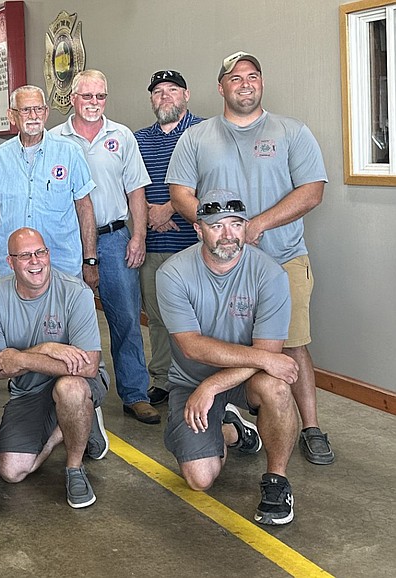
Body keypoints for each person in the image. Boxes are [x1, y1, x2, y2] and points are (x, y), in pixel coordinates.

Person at [167, 51, 332, 465]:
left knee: (292, 345)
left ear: (261, 83)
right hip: (217, 262)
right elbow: (180, 194)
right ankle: (237, 415)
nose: (245, 83)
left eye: (253, 76)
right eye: (235, 78)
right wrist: (218, 228)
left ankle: (310, 427)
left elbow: (312, 190)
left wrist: (256, 225)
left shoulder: (292, 132)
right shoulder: (196, 137)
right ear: (221, 87)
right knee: (222, 344)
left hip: (283, 258)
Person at [156, 189, 299, 526]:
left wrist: (215, 384)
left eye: (235, 224)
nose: (228, 234)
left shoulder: (270, 274)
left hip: (247, 380)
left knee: (276, 387)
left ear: (245, 226)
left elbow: (270, 356)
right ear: (198, 229)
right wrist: (206, 385)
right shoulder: (173, 273)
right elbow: (191, 345)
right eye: (216, 225)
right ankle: (232, 430)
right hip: (191, 380)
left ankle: (277, 481)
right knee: (200, 479)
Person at [50, 69, 158, 425]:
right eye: (87, 96)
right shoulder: (54, 140)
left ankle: (135, 393)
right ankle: (69, 391)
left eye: (100, 97)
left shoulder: (122, 136)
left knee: (126, 318)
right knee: (64, 321)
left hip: (114, 239)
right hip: (66, 243)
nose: (94, 103)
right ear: (72, 99)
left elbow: (136, 191)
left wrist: (138, 236)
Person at [0, 228, 109, 508]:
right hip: (29, 392)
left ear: (49, 255)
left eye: (40, 253)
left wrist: (22, 359)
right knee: (12, 471)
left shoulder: (76, 292)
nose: (35, 261)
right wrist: (46, 348)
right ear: (10, 262)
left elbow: (88, 366)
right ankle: (70, 426)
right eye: (25, 256)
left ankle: (74, 469)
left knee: (70, 388)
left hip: (80, 381)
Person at [0, 85, 97, 286]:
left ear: (46, 112)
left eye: (39, 109)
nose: (33, 115)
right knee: (16, 317)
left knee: (65, 317)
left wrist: (90, 260)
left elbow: (84, 208)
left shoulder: (70, 152)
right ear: (11, 115)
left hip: (62, 264)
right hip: (12, 268)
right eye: (25, 110)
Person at [134, 70, 205, 406]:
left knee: (195, 316)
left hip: (192, 244)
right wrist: (149, 212)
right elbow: (127, 184)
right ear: (151, 99)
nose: (165, 96)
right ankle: (162, 379)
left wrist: (171, 209)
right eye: (158, 91)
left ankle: (197, 379)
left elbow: (212, 182)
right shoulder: (138, 139)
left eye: (172, 89)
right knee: (158, 316)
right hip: (151, 243)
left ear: (186, 95)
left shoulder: (204, 132)